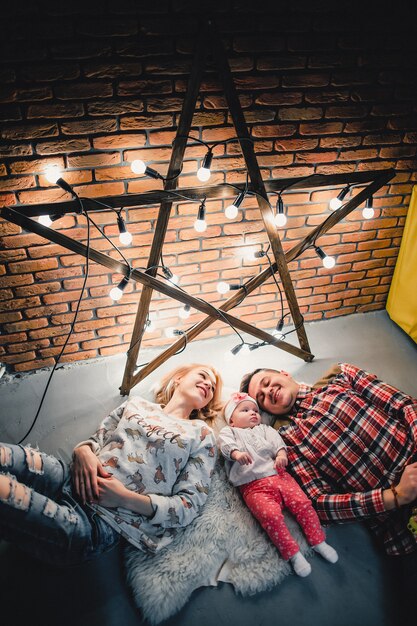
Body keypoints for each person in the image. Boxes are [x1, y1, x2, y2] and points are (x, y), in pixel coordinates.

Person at [0, 363, 222, 566]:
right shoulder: (136, 405)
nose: (207, 385)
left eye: (212, 388)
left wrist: (125, 498)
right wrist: (82, 450)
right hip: (68, 476)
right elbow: (98, 439)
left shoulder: (202, 435)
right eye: (203, 376)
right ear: (178, 379)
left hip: (103, 522)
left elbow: (187, 506)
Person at [240, 363, 417, 558]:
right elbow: (319, 503)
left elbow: (404, 405)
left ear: (285, 374)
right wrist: (396, 495)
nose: (268, 391)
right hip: (400, 514)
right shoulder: (286, 442)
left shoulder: (341, 376)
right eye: (261, 397)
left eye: (266, 382)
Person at [218, 391, 338, 577]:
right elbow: (224, 445)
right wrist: (236, 454)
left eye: (255, 410)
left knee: (303, 504)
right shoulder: (230, 432)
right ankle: (293, 554)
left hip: (280, 476)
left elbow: (278, 444)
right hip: (253, 486)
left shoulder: (265, 429)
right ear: (232, 420)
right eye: (245, 410)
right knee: (271, 518)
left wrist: (281, 455)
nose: (253, 413)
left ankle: (318, 541)